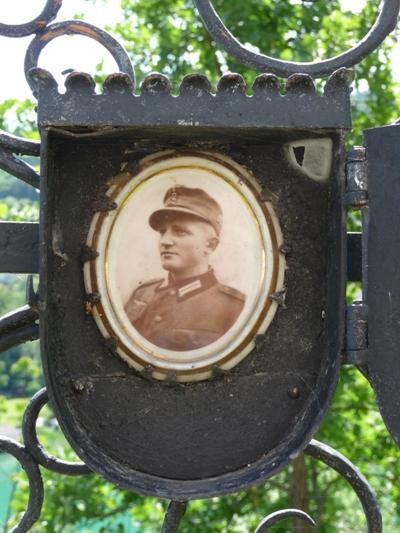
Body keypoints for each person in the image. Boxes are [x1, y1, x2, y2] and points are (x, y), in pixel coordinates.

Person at [124, 185, 246, 351]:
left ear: (210, 245)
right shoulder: (143, 294)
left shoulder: (234, 308)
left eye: (180, 232)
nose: (165, 241)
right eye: (162, 232)